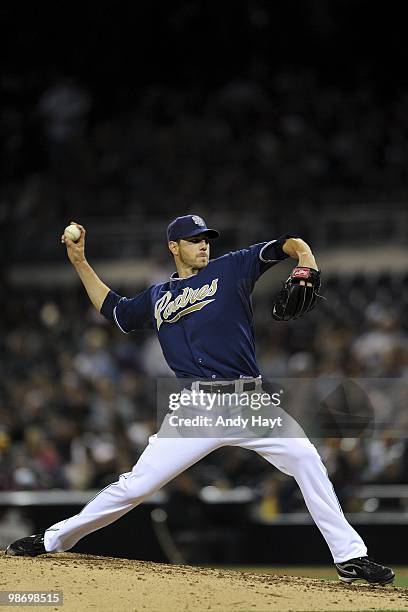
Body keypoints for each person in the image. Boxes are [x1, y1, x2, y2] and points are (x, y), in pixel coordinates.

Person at [6, 215, 394, 585]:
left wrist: (306, 261)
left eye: (206, 239)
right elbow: (116, 311)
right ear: (174, 247)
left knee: (308, 460)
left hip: (250, 403)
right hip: (196, 409)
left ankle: (349, 557)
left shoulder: (232, 268)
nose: (204, 246)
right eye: (194, 241)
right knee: (137, 486)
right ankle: (52, 540)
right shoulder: (158, 296)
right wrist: (80, 262)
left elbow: (287, 245)